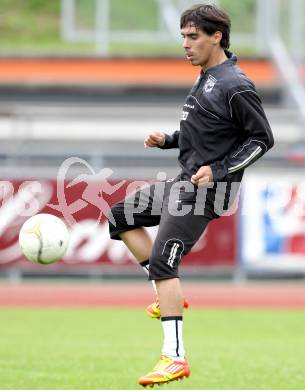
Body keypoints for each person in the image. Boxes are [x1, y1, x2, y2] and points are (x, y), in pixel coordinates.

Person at [109, 3, 274, 387]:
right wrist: (168, 140)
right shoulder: (207, 76)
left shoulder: (235, 84)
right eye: (183, 36)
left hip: (205, 192)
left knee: (165, 265)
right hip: (184, 183)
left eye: (192, 36)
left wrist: (217, 171)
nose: (185, 43)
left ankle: (174, 357)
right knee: (120, 216)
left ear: (217, 36)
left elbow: (262, 139)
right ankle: (164, 294)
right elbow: (207, 136)